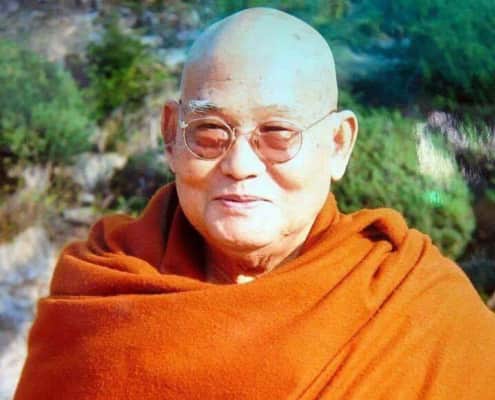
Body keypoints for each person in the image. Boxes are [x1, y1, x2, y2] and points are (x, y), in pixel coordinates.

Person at [14, 7, 495, 400]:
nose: (240, 164)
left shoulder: (420, 309)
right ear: (171, 135)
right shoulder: (98, 302)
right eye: (209, 131)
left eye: (278, 133)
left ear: (338, 145)